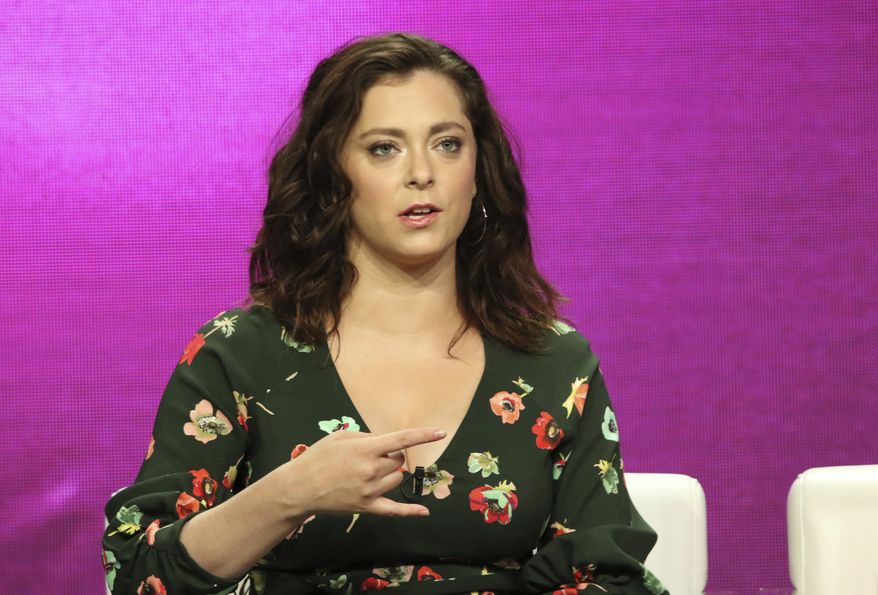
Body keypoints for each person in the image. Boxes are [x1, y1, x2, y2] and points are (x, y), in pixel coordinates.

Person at [102, 32, 667, 595]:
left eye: (447, 144)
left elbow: (608, 579)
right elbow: (137, 578)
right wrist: (286, 495)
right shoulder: (240, 353)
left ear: (478, 170)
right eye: (383, 148)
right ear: (332, 174)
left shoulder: (554, 361)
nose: (422, 172)